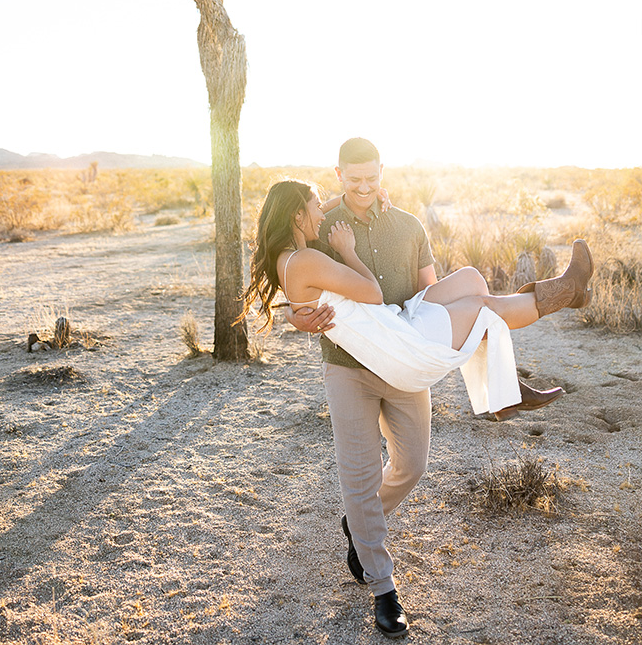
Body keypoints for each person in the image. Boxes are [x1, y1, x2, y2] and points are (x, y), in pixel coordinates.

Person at [243, 162, 594, 639]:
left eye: (370, 179)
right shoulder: (321, 239)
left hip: (400, 328)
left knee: (470, 284)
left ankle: (503, 385)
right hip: (362, 361)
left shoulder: (398, 223)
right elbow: (360, 290)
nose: (357, 190)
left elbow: (420, 285)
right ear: (339, 177)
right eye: (345, 184)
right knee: (362, 474)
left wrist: (306, 288)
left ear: (380, 172)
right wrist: (337, 262)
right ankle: (383, 588)